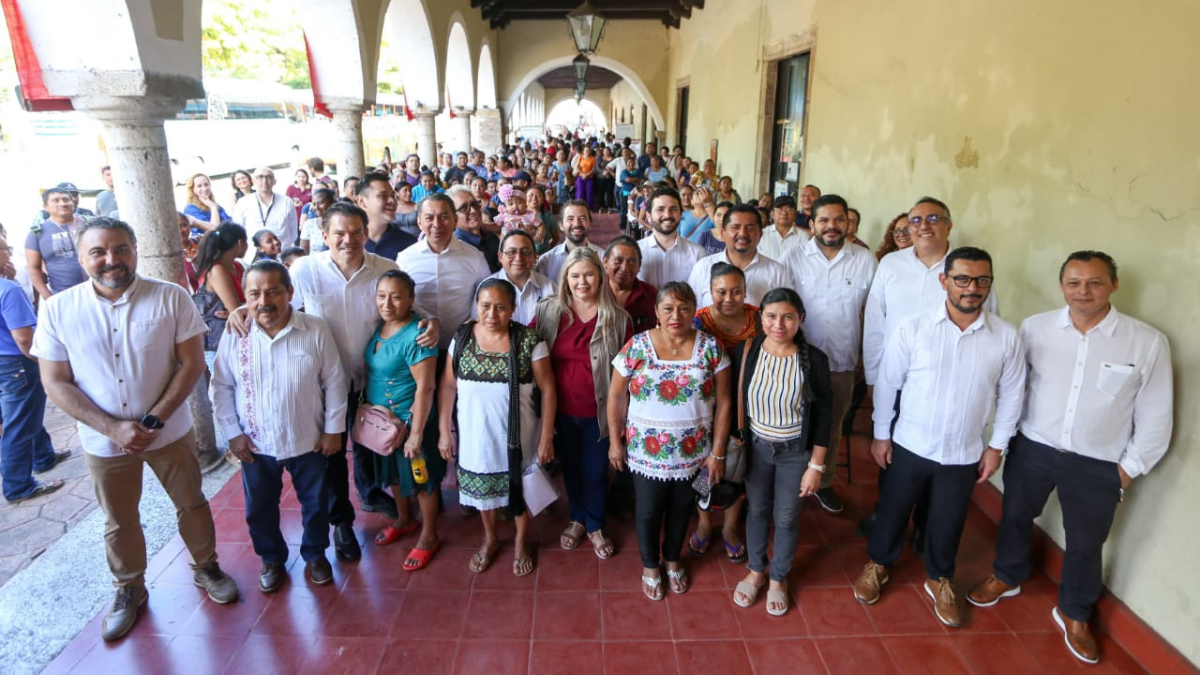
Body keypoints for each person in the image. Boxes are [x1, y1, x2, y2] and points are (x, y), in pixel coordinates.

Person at [34, 217, 239, 641]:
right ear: (81, 256)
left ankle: (206, 566)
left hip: (169, 432)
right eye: (99, 252)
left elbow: (192, 363)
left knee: (192, 502)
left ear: (135, 249)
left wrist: (152, 420)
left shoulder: (171, 297)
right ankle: (129, 588)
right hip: (103, 440)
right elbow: (55, 381)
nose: (112, 260)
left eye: (121, 249)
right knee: (119, 518)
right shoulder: (58, 310)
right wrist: (112, 427)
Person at [967, 251, 1173, 664]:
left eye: (1095, 282)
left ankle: (1075, 611)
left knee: (1085, 541)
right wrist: (1001, 440)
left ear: (1113, 285)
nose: (1084, 291)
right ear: (1062, 286)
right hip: (1034, 446)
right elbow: (1014, 388)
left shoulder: (1146, 341)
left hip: (1099, 462)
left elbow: (1157, 412)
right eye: (1074, 282)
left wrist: (1126, 471)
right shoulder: (1035, 329)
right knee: (1015, 515)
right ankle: (1007, 575)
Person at [854, 247, 1025, 630]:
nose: (972, 288)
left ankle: (940, 576)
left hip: (963, 451)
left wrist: (996, 447)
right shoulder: (913, 328)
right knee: (894, 509)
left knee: (949, 519)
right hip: (910, 442)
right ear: (943, 281)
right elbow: (888, 384)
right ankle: (878, 564)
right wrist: (881, 435)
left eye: (982, 280)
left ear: (990, 285)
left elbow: (1013, 395)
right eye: (962, 278)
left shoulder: (1006, 337)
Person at [262, 202, 440, 560]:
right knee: (327, 458)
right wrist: (241, 311)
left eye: (356, 232)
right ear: (324, 235)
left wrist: (431, 320)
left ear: (365, 232)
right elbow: (274, 302)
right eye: (339, 233)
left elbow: (405, 303)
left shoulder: (385, 268)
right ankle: (341, 523)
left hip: (371, 386)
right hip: (321, 386)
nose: (349, 240)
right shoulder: (304, 270)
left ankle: (378, 497)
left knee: (373, 448)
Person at [861, 197, 998, 541]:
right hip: (895, 380)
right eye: (915, 220)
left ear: (949, 225)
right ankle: (888, 518)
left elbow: (987, 325)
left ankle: (924, 527)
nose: (923, 225)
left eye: (933, 218)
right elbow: (875, 322)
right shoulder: (891, 264)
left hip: (946, 384)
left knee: (938, 462)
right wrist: (873, 377)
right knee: (889, 453)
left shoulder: (966, 270)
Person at [211, 260, 345, 591]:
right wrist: (232, 434)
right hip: (256, 443)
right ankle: (271, 559)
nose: (264, 301)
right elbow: (222, 386)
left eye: (273, 291)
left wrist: (333, 430)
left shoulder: (314, 329)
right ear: (245, 298)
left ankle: (316, 554)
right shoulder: (236, 333)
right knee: (259, 508)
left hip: (308, 438)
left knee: (315, 503)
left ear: (290, 292)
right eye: (254, 294)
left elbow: (335, 382)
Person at [608, 282, 732, 601]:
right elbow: (616, 395)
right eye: (668, 308)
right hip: (645, 453)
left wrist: (717, 452)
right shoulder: (637, 346)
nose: (675, 315)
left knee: (681, 509)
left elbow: (725, 402)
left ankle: (673, 558)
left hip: (696, 454)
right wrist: (615, 442)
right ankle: (651, 565)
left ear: (695, 311)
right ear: (656, 312)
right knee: (648, 511)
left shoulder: (711, 347)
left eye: (684, 308)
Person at [438, 279, 556, 576]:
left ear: (513, 309)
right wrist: (443, 431)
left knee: (521, 487)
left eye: (501, 307)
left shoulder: (530, 340)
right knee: (483, 492)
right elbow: (448, 386)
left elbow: (549, 389)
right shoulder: (462, 337)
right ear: (476, 307)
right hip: (476, 434)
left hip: (521, 434)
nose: (492, 314)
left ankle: (520, 541)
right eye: (485, 306)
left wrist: (546, 437)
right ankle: (490, 538)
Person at [731, 288, 833, 616]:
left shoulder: (814, 360)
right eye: (771, 316)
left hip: (795, 453)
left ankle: (779, 577)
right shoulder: (746, 352)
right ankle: (757, 570)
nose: (779, 324)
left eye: (788, 316)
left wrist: (816, 466)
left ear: (800, 319)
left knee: (786, 517)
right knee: (758, 511)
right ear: (760, 318)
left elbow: (824, 417)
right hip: (757, 449)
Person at [782, 194, 878, 514]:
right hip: (798, 359)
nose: (832, 226)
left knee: (832, 425)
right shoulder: (793, 258)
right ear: (811, 225)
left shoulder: (865, 260)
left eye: (839, 220)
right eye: (824, 220)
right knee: (793, 422)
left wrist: (867, 357)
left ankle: (823, 482)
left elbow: (873, 313)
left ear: (848, 224)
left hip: (842, 359)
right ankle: (791, 478)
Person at [533, 248, 631, 561]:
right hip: (559, 410)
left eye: (588, 274)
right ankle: (577, 518)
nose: (582, 281)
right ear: (565, 279)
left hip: (599, 412)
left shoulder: (617, 318)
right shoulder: (549, 312)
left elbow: (626, 373)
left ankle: (595, 525)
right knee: (571, 469)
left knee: (595, 471)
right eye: (574, 275)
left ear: (600, 277)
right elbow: (529, 351)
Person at [363, 270, 444, 570]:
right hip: (385, 426)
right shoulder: (380, 328)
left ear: (411, 299)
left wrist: (417, 433)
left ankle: (429, 534)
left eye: (396, 297)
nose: (387, 303)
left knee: (422, 479)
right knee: (395, 475)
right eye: (382, 296)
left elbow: (427, 386)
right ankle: (404, 518)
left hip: (411, 422)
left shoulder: (417, 335)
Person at [687, 263, 759, 563]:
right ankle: (704, 525)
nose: (729, 298)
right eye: (721, 292)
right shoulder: (697, 322)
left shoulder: (759, 318)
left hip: (747, 409)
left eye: (736, 291)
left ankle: (729, 529)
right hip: (705, 409)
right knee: (704, 470)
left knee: (737, 470)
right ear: (710, 291)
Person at [0, 234, 69, 503]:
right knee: (19, 422)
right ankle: (18, 485)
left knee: (22, 415)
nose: (9, 253)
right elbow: (24, 339)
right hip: (16, 363)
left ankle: (43, 456)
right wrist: (44, 363)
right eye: (6, 249)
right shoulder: (8, 290)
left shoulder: (9, 285)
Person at [398, 194, 490, 350]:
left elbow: (486, 296)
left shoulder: (475, 257)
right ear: (419, 222)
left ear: (455, 220)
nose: (436, 224)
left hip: (462, 347)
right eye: (429, 218)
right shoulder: (405, 259)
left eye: (443, 217)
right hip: (417, 347)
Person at [687, 204, 790, 308]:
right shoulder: (703, 268)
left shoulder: (777, 273)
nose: (742, 233)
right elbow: (691, 313)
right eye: (735, 227)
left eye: (750, 228)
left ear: (760, 234)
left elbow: (785, 312)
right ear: (723, 233)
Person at [192, 224, 248, 369]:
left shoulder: (238, 266)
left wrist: (241, 309)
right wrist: (241, 309)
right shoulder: (217, 270)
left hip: (238, 335)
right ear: (240, 243)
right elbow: (238, 311)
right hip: (219, 341)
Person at [480, 230, 554, 325]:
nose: (519, 258)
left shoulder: (550, 288)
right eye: (511, 252)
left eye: (526, 252)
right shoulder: (485, 289)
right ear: (500, 256)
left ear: (535, 256)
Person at [26, 186, 88, 299]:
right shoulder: (37, 233)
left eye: (66, 199)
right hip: (63, 296)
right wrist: (48, 297)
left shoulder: (92, 224)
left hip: (100, 292)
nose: (62, 203)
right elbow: (33, 268)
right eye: (56, 200)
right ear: (45, 207)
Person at [637, 187, 706, 290]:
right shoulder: (637, 251)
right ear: (649, 216)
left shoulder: (697, 253)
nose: (667, 215)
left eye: (673, 209)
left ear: (680, 214)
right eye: (660, 209)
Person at [233, 167, 299, 257]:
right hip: (253, 256)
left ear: (274, 181)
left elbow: (293, 231)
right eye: (260, 177)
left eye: (269, 177)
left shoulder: (286, 202)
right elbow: (238, 231)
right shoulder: (243, 203)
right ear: (253, 180)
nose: (264, 181)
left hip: (282, 255)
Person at [534, 200, 603, 282]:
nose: (577, 224)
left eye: (582, 218)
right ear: (561, 225)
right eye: (570, 219)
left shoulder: (603, 258)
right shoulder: (546, 260)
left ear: (590, 224)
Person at [603, 235, 658, 335]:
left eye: (632, 262)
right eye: (618, 260)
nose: (624, 268)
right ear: (605, 262)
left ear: (639, 266)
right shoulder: (594, 292)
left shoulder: (651, 295)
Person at [356, 172, 417, 261]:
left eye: (393, 196)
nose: (392, 201)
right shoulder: (349, 242)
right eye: (383, 196)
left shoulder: (408, 243)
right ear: (361, 201)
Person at [448, 185, 501, 273]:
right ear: (453, 216)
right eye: (463, 208)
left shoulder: (489, 235)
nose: (473, 211)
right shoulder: (457, 247)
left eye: (474, 204)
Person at [758, 195, 808, 261]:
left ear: (795, 214)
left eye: (789, 209)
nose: (784, 213)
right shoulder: (762, 234)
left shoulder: (803, 236)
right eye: (779, 209)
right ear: (772, 213)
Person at [299, 188, 335, 254]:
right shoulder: (309, 224)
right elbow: (303, 253)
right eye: (314, 204)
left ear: (331, 203)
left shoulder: (340, 224)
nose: (317, 207)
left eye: (320, 203)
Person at [575, 145, 597, 211]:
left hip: (589, 177)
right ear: (583, 151)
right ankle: (579, 206)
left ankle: (588, 207)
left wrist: (587, 175)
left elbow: (593, 169)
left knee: (589, 192)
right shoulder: (580, 157)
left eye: (588, 150)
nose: (587, 152)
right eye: (586, 150)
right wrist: (583, 174)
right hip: (581, 177)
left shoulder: (593, 158)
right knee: (580, 192)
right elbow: (577, 167)